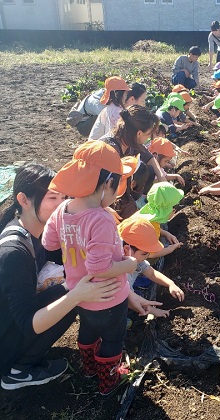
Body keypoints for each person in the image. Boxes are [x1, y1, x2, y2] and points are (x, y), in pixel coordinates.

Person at [0, 164, 123, 391]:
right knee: (70, 296)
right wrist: (76, 296)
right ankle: (18, 370)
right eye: (52, 198)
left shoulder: (42, 232)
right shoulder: (13, 252)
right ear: (24, 200)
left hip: (15, 319)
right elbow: (28, 324)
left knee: (70, 289)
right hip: (7, 337)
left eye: (64, 197)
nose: (61, 205)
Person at [42, 141, 144, 395]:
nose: (117, 194)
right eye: (118, 186)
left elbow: (49, 243)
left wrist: (72, 242)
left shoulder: (62, 209)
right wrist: (130, 264)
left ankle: (89, 368)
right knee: (113, 338)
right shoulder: (101, 218)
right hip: (109, 296)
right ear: (108, 183)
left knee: (88, 330)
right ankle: (107, 382)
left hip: (80, 293)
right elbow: (99, 267)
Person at [103, 105, 164, 219]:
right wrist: (105, 209)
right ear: (139, 133)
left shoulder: (129, 140)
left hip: (116, 192)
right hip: (101, 198)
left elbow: (149, 157)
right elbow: (96, 186)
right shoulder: (110, 150)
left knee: (149, 170)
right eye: (148, 134)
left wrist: (161, 177)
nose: (149, 138)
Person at [118, 215, 185, 303]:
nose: (147, 256)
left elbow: (151, 273)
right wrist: (151, 308)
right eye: (144, 253)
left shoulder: (134, 258)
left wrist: (170, 284)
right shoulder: (121, 275)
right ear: (127, 249)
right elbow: (130, 301)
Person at [137, 182, 184, 259]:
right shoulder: (151, 229)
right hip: (137, 261)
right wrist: (170, 249)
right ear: (170, 210)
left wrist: (166, 234)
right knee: (156, 259)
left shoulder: (143, 216)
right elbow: (151, 254)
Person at [89, 76, 131, 140]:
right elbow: (118, 134)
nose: (126, 97)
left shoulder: (110, 107)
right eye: (125, 94)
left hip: (96, 142)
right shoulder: (117, 111)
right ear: (118, 94)